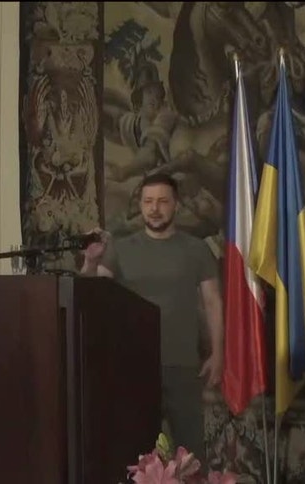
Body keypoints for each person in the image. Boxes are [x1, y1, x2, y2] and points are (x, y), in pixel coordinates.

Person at [80, 172, 223, 465]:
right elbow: (94, 295)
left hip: (183, 366)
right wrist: (90, 261)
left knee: (191, 456)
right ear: (140, 205)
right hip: (133, 367)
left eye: (162, 201)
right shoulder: (120, 249)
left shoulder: (197, 249)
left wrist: (219, 353)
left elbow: (213, 301)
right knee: (135, 454)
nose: (154, 208)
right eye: (148, 201)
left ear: (176, 205)